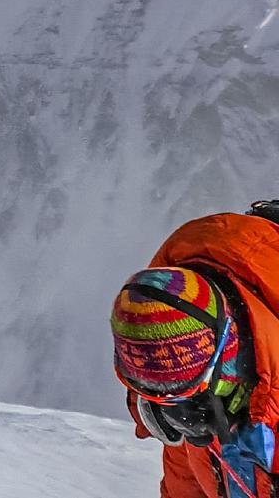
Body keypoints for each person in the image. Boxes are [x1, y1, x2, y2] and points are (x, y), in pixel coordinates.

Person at [112, 209, 279, 498]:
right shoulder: (201, 402)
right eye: (159, 407)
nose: (186, 424)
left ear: (227, 362)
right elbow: (185, 484)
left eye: (194, 405)